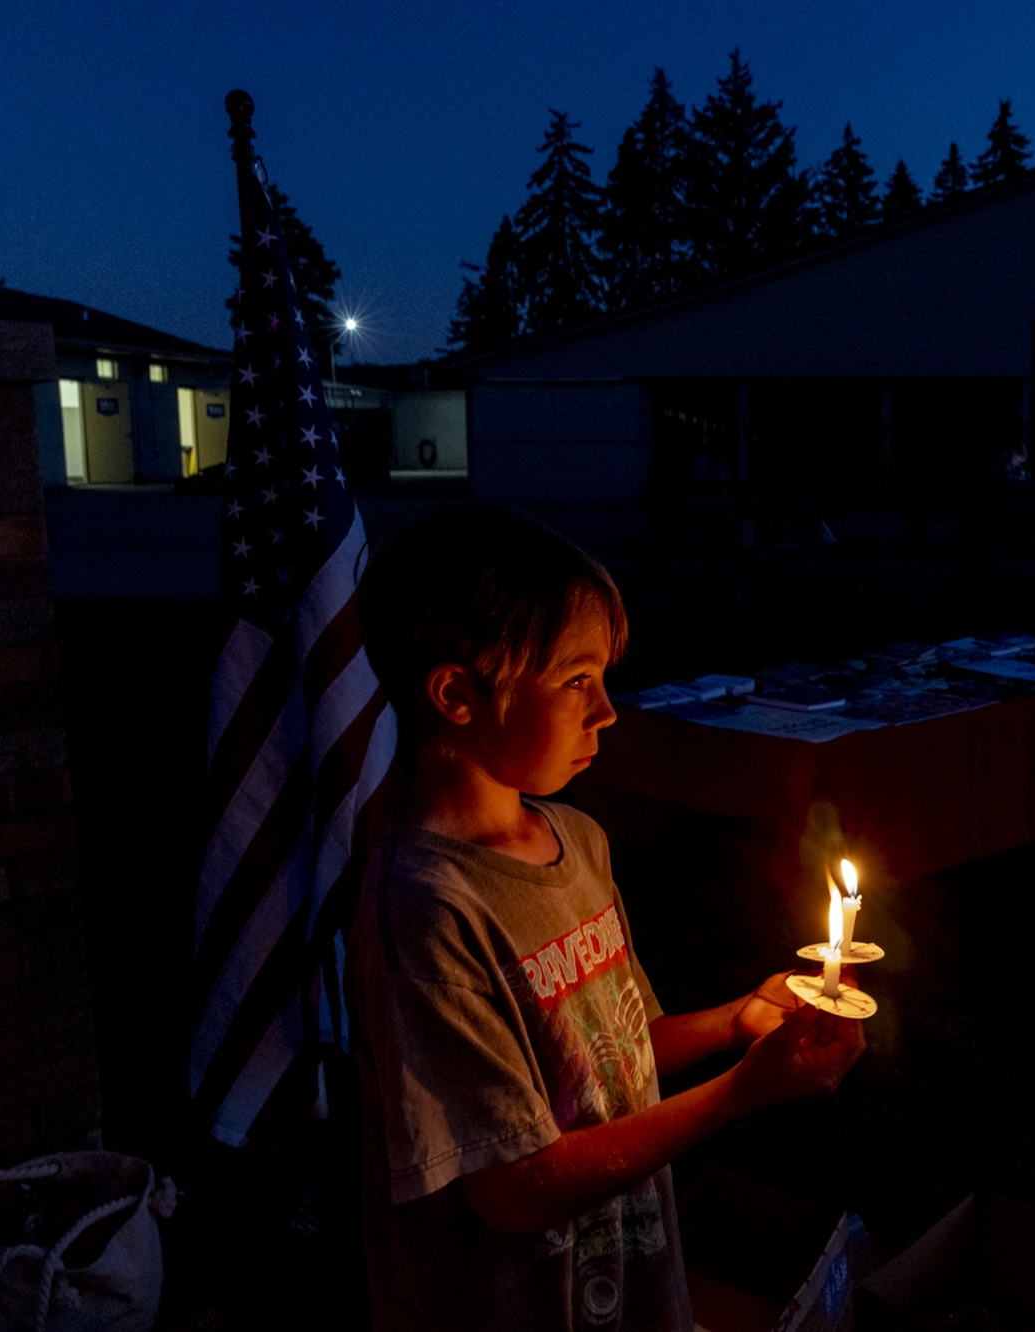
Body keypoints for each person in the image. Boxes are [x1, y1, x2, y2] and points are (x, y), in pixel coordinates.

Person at [348, 504, 866, 1331]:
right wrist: (740, 1094)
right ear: (456, 694)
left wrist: (739, 1020)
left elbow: (612, 1054)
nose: (608, 711)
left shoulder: (576, 842)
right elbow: (515, 1189)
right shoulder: (425, 909)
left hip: (622, 1283)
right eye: (575, 680)